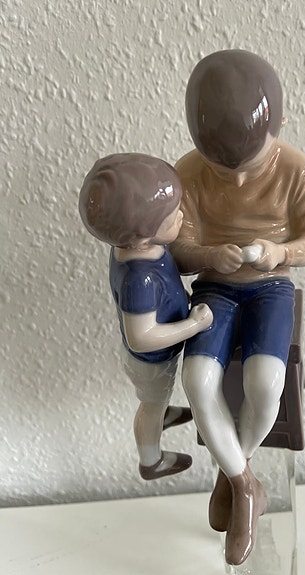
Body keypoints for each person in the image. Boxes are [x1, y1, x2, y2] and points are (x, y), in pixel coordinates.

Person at [170, 50, 305, 565]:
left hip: (270, 287)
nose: (236, 180)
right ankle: (246, 485)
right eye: (221, 168)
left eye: (250, 166)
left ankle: (232, 470)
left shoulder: (298, 170)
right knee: (197, 381)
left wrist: (279, 253)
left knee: (265, 384)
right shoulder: (188, 172)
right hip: (215, 287)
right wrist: (209, 255)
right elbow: (179, 250)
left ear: (278, 126)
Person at [79, 153, 213, 480]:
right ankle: (152, 460)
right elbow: (141, 337)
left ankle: (162, 409)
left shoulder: (137, 247)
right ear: (140, 235)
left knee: (157, 396)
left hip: (158, 358)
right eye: (171, 217)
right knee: (150, 404)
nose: (181, 216)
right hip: (152, 360)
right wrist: (193, 325)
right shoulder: (140, 278)